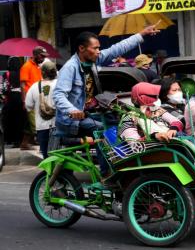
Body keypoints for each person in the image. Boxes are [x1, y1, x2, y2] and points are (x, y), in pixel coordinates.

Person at [53, 25, 160, 178]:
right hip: (72, 120)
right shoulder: (70, 68)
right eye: (95, 48)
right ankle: (107, 174)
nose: (98, 51)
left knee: (123, 122)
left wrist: (141, 34)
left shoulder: (93, 60)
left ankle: (125, 162)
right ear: (82, 48)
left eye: (99, 48)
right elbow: (58, 96)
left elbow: (117, 49)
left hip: (90, 113)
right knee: (103, 131)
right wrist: (72, 111)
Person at [119, 82, 195, 198]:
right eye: (152, 96)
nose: (155, 98)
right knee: (194, 156)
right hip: (152, 152)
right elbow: (135, 145)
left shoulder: (156, 110)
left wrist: (172, 129)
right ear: (141, 98)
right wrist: (155, 136)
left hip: (171, 145)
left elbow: (176, 121)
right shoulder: (129, 118)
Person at [25, 61, 58, 158]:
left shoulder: (34, 87)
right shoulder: (60, 84)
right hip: (58, 125)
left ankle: (49, 172)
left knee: (46, 155)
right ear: (55, 72)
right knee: (59, 153)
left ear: (42, 73)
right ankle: (60, 172)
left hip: (42, 126)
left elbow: (28, 106)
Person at [19, 46, 49, 150]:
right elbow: (22, 85)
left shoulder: (38, 66)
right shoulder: (26, 66)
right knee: (35, 123)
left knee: (30, 122)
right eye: (41, 56)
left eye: (44, 56)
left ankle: (25, 143)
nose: (43, 58)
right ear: (35, 55)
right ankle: (42, 145)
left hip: (38, 98)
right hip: (29, 99)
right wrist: (24, 101)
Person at [2, 56, 25, 147]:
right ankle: (19, 140)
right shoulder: (22, 73)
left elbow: (3, 87)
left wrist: (4, 98)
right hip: (20, 97)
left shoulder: (6, 74)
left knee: (8, 119)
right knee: (19, 119)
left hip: (10, 98)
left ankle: (8, 140)